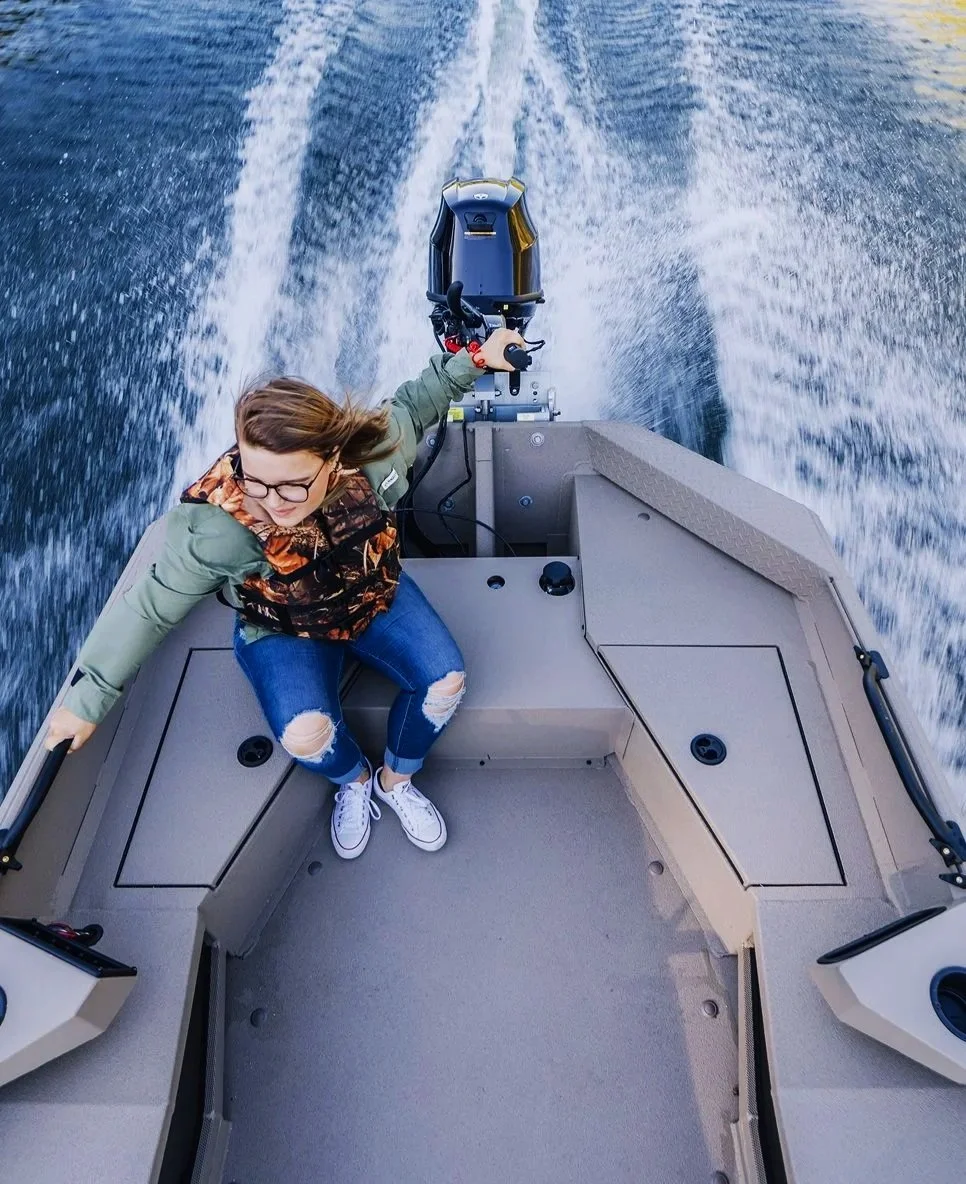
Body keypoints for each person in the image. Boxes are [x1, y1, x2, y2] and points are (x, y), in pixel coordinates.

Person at [43, 330, 525, 859]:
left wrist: (475, 359)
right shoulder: (220, 528)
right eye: (256, 480)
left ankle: (395, 781)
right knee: (304, 734)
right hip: (282, 625)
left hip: (372, 597)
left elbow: (415, 402)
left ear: (333, 459)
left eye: (292, 485)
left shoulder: (373, 458)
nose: (272, 502)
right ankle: (354, 781)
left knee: (445, 683)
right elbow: (151, 606)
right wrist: (86, 702)